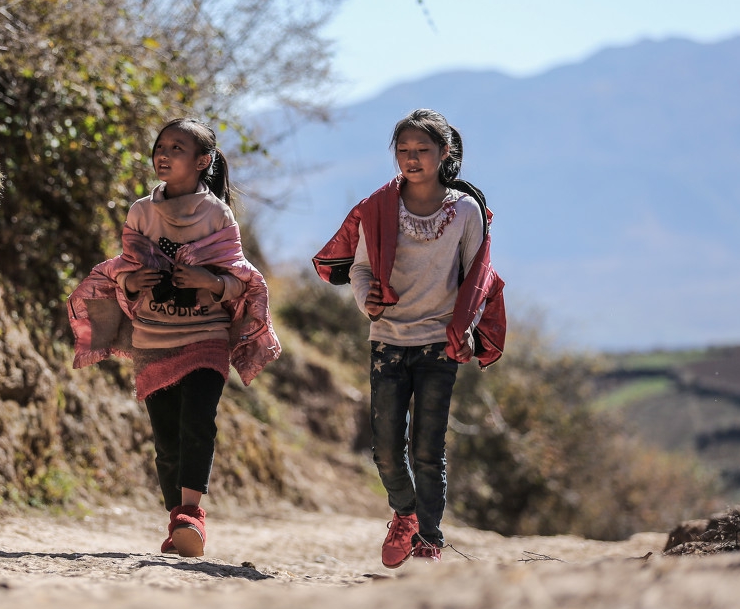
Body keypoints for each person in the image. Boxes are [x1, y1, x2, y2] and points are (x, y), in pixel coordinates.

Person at [68, 118, 279, 557]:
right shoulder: (140, 212)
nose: (163, 154)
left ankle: (191, 516)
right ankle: (177, 523)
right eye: (160, 146)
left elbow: (238, 279)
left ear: (203, 162)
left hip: (206, 336)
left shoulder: (217, 215)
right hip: (153, 338)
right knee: (166, 439)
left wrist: (209, 280)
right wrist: (131, 281)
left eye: (176, 148)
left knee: (198, 422)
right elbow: (125, 270)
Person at [313, 108, 506, 567]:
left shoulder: (465, 211)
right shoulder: (378, 208)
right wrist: (367, 301)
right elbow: (359, 269)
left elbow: (477, 278)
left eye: (422, 150)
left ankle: (429, 541)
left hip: (439, 343)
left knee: (428, 448)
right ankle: (404, 513)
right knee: (384, 449)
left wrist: (466, 331)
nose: (412, 159)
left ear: (445, 154)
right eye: (403, 151)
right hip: (388, 340)